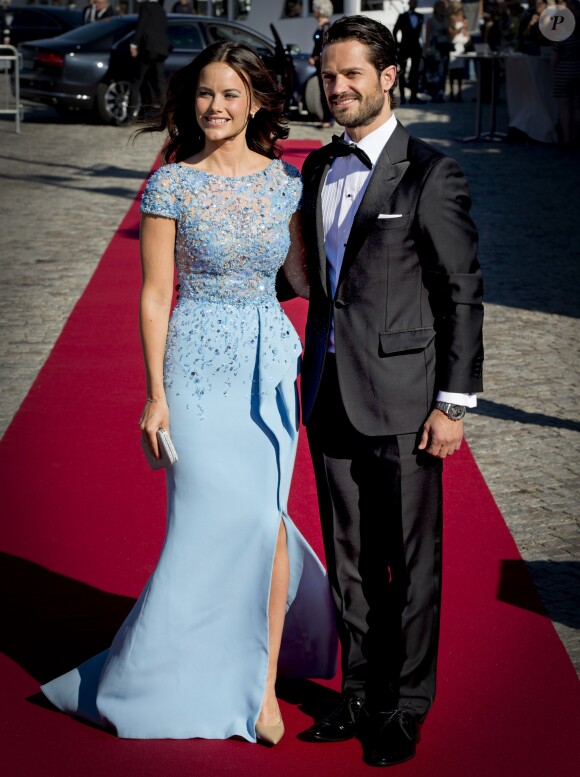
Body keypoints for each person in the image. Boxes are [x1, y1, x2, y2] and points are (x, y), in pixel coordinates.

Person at [40, 40, 337, 746]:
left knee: (265, 523)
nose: (216, 106)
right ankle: (171, 667)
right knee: (204, 519)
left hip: (268, 367)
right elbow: (153, 294)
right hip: (196, 365)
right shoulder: (172, 183)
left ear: (257, 102)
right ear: (190, 100)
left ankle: (261, 687)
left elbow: (302, 277)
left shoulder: (285, 184)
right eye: (206, 93)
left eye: (231, 94)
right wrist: (154, 395)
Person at [296, 15, 484, 767]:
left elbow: (461, 293)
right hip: (330, 389)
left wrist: (453, 402)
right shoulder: (317, 167)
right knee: (348, 556)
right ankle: (358, 689)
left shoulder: (433, 173)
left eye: (350, 75)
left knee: (408, 563)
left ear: (387, 77)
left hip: (409, 401)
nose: (336, 87)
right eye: (328, 75)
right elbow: (310, 278)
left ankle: (404, 705)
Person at [130, 0, 170, 115]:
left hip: (148, 48)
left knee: (137, 81)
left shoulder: (145, 6)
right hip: (161, 49)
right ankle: (165, 113)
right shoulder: (161, 9)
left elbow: (141, 25)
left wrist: (134, 44)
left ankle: (131, 113)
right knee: (159, 82)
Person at [552, 0, 580, 147]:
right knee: (576, 106)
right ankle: (575, 137)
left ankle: (567, 138)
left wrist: (553, 72)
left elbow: (555, 57)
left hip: (563, 71)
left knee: (564, 107)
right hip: (577, 69)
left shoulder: (562, 33)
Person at [393, 0, 425, 104]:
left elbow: (422, 33)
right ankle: (402, 96)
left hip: (416, 48)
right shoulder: (402, 16)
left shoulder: (420, 16)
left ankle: (413, 96)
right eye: (412, 2)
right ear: (409, 4)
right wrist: (397, 44)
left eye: (415, 2)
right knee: (401, 72)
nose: (413, 4)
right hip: (404, 48)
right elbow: (395, 30)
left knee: (415, 72)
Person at [309, 0, 334, 128]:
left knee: (326, 91)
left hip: (322, 64)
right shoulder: (321, 27)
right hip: (319, 63)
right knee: (323, 90)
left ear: (319, 10)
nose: (314, 12)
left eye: (315, 9)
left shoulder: (326, 27)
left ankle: (328, 118)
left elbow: (324, 47)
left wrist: (316, 58)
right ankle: (326, 117)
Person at [424, 0, 452, 101]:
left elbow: (449, 34)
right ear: (436, 9)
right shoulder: (431, 20)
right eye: (440, 8)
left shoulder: (446, 20)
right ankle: (434, 93)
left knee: (444, 71)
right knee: (436, 72)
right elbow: (427, 35)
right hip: (436, 49)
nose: (442, 10)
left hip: (445, 48)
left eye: (443, 8)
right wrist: (427, 48)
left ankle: (441, 92)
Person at [448, 12, 471, 100]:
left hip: (461, 49)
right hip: (453, 50)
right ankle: (451, 92)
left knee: (460, 73)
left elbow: (468, 38)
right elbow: (451, 35)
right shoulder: (451, 22)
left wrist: (465, 32)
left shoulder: (464, 23)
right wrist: (458, 30)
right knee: (452, 73)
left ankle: (459, 92)